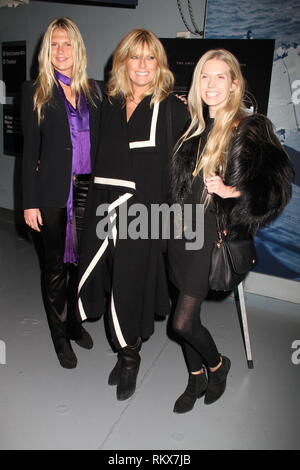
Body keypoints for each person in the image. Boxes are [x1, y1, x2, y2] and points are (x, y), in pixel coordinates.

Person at [168, 49, 294, 413]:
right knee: (185, 315)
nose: (211, 84)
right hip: (180, 233)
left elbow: (277, 186)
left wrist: (233, 191)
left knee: (182, 322)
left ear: (234, 83)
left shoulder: (248, 128)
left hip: (211, 238)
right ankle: (194, 378)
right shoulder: (193, 126)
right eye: (205, 76)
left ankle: (218, 367)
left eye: (220, 76)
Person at [78, 29, 189, 400]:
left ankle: (129, 357)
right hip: (104, 208)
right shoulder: (108, 102)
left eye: (150, 57)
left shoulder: (172, 108)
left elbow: (190, 166)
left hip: (144, 217)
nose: (142, 65)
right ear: (123, 61)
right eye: (135, 57)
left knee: (129, 285)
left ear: (159, 64)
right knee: (109, 280)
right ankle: (124, 346)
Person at [21, 17, 102, 369]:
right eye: (54, 44)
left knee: (79, 266)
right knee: (55, 268)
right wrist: (29, 202)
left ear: (78, 48)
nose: (60, 50)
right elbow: (28, 154)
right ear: (46, 51)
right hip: (52, 193)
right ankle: (59, 337)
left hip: (87, 191)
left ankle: (73, 323)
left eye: (67, 43)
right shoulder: (34, 91)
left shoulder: (94, 91)